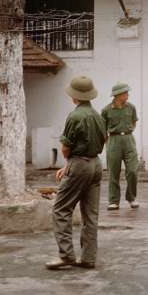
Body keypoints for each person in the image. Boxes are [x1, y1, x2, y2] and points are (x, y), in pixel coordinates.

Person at [46, 76, 106, 271]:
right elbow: (104, 140)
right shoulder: (98, 115)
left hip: (79, 164)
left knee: (61, 209)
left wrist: (69, 165)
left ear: (75, 97)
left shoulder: (75, 116)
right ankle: (88, 258)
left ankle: (66, 255)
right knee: (91, 214)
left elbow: (65, 147)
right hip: (96, 164)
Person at [101, 82, 140, 211]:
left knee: (133, 171)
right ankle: (113, 201)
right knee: (113, 172)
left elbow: (134, 122)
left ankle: (131, 198)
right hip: (114, 140)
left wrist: (126, 131)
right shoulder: (106, 110)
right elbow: (103, 129)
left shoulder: (131, 108)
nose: (128, 95)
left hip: (129, 139)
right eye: (125, 93)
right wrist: (108, 143)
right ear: (118, 95)